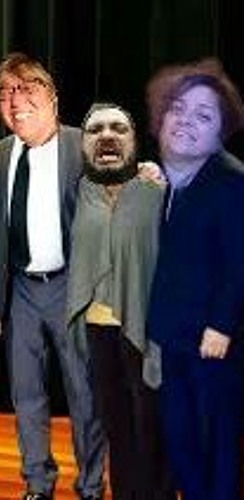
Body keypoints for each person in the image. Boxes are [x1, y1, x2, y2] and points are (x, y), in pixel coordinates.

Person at [0, 52, 106, 500]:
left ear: (52, 97)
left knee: (84, 395)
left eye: (26, 88)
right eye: (6, 93)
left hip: (73, 288)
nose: (16, 101)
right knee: (26, 394)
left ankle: (90, 484)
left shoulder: (85, 146)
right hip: (20, 291)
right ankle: (37, 482)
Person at [67, 102, 176, 500]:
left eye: (118, 128)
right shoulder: (78, 191)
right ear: (83, 143)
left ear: (134, 141)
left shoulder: (157, 191)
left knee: (152, 422)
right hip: (97, 329)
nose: (107, 136)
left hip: (147, 329)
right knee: (116, 423)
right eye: (96, 130)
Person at [146, 58, 244, 500]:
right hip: (173, 336)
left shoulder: (230, 182)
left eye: (203, 115)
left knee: (214, 446)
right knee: (181, 441)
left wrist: (221, 324)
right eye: (177, 108)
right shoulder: (163, 180)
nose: (185, 121)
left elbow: (238, 262)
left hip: (212, 342)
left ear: (221, 132)